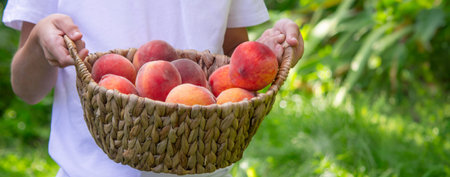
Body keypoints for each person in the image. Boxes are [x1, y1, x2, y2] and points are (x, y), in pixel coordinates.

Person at [2, 0, 303, 177]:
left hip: (202, 165)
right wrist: (41, 41)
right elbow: (27, 88)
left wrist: (269, 53)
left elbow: (235, 65)